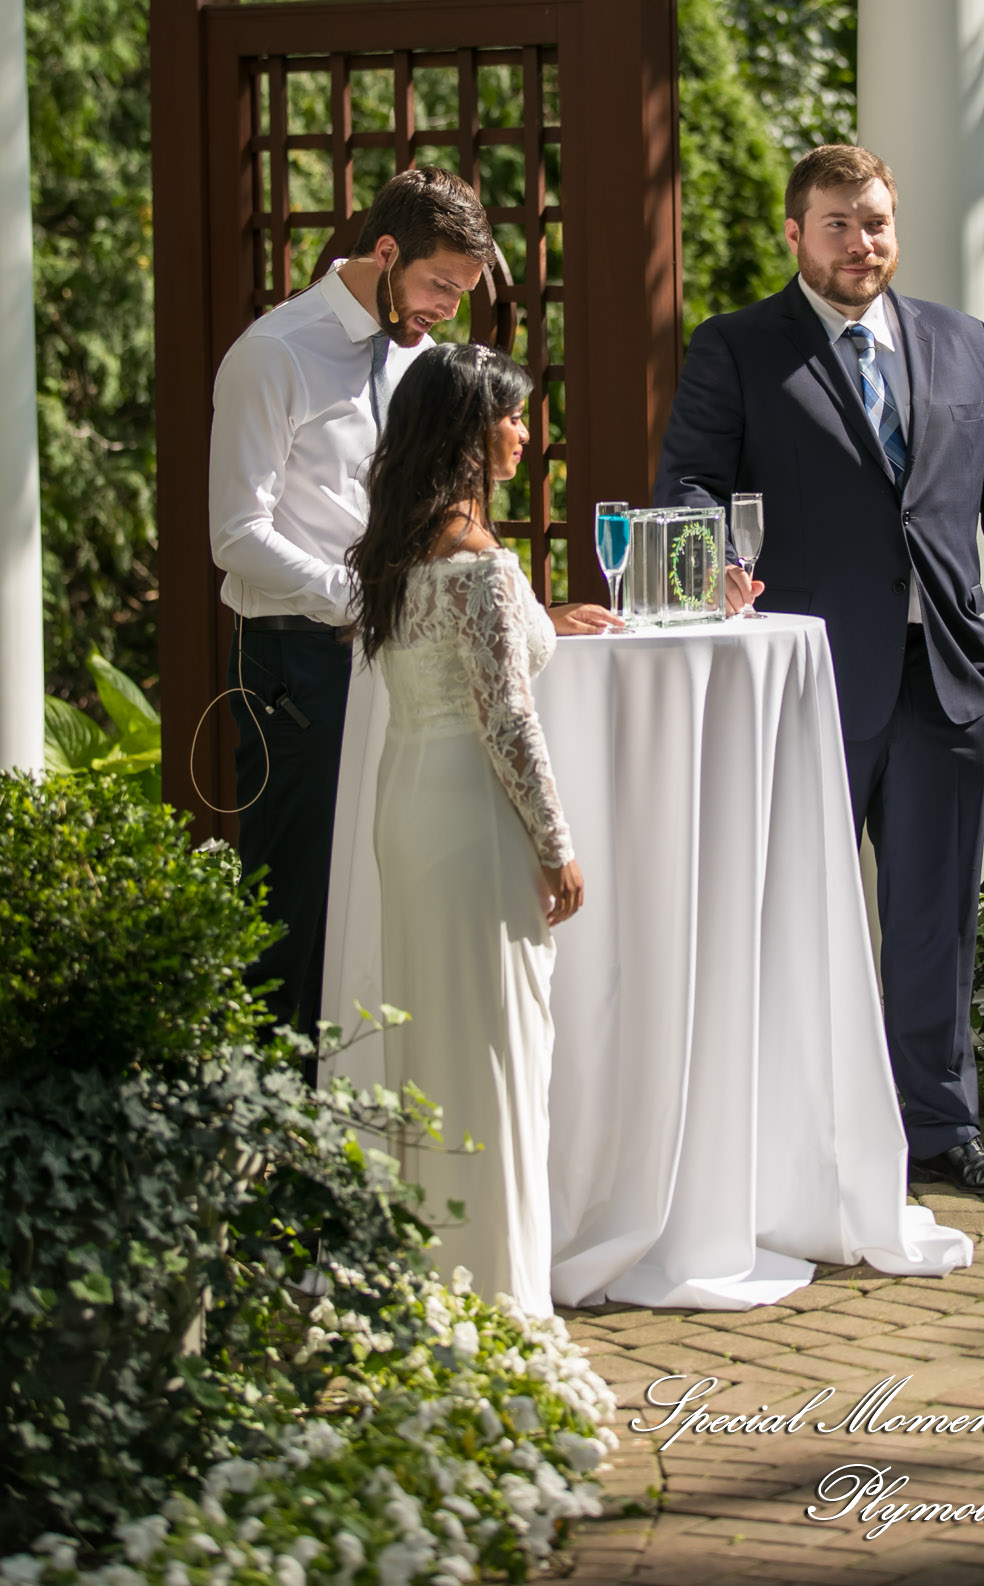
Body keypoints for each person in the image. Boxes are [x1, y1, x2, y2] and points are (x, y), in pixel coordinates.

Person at [653, 143, 984, 1196]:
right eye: (837, 224)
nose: (860, 242)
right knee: (797, 914)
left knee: (936, 917)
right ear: (794, 234)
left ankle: (938, 1130)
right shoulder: (738, 347)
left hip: (948, 677)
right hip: (809, 680)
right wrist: (719, 567)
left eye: (875, 221)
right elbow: (691, 483)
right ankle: (796, 1140)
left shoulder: (959, 342)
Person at [348, 344, 610, 1315]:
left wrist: (549, 615)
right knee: (498, 1051)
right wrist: (558, 844)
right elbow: (508, 719)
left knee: (433, 1051)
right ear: (465, 433)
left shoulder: (399, 546)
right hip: (474, 816)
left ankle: (441, 1288)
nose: (524, 433)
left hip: (408, 807)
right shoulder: (480, 564)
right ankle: (504, 1302)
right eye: (509, 417)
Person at [209, 167, 496, 1047]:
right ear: (384, 251)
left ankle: (354, 1114)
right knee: (291, 898)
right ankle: (265, 1118)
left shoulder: (416, 356)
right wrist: (359, 598)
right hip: (298, 662)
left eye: (464, 290)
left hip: (400, 661)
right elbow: (234, 532)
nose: (449, 306)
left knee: (380, 886)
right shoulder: (275, 351)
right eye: (440, 283)